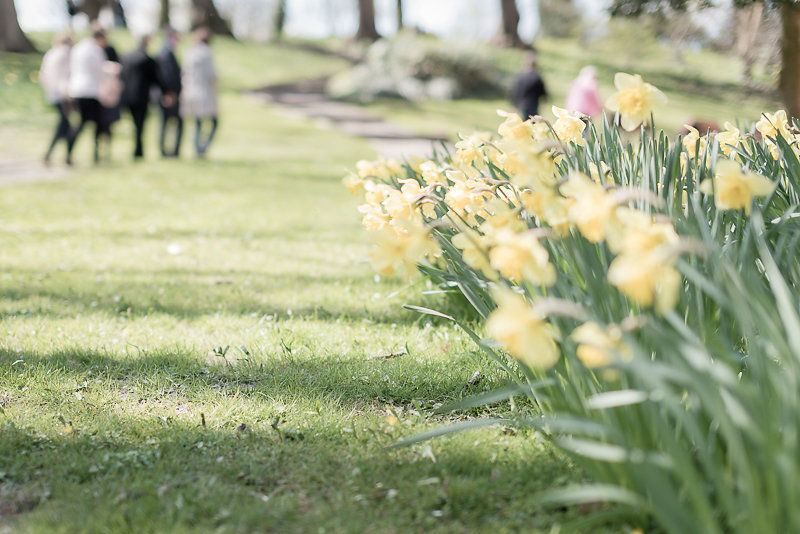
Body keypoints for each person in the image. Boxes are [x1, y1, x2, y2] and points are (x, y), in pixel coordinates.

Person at [66, 28, 108, 165]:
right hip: (90, 91)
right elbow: (99, 71)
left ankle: (69, 153)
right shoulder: (95, 50)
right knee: (97, 124)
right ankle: (95, 155)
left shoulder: (77, 48)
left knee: (80, 123)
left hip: (76, 89)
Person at [120, 35, 162, 160]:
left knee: (135, 125)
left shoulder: (125, 57)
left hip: (127, 96)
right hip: (141, 97)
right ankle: (138, 151)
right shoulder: (147, 60)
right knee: (140, 125)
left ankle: (137, 150)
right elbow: (156, 79)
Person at [181, 27, 219, 157]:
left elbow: (184, 74)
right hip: (204, 92)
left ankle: (197, 148)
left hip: (190, 92)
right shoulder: (207, 53)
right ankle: (201, 148)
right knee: (214, 121)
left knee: (198, 122)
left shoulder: (189, 53)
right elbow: (212, 76)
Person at [40, 32, 73, 165]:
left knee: (65, 125)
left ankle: (63, 155)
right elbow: (66, 75)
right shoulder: (65, 53)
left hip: (52, 92)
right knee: (64, 124)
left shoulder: (50, 53)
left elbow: (44, 75)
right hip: (62, 93)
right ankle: (58, 155)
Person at [156, 28, 183, 158]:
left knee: (167, 123)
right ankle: (167, 151)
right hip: (168, 95)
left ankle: (169, 151)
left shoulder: (166, 52)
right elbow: (167, 75)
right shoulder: (166, 54)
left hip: (168, 94)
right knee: (167, 123)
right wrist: (169, 93)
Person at [511, 53, 548, 119]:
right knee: (533, 121)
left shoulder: (520, 76)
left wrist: (514, 102)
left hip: (522, 103)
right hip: (533, 103)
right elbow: (542, 91)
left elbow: (516, 91)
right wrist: (545, 98)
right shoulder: (537, 77)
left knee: (524, 120)